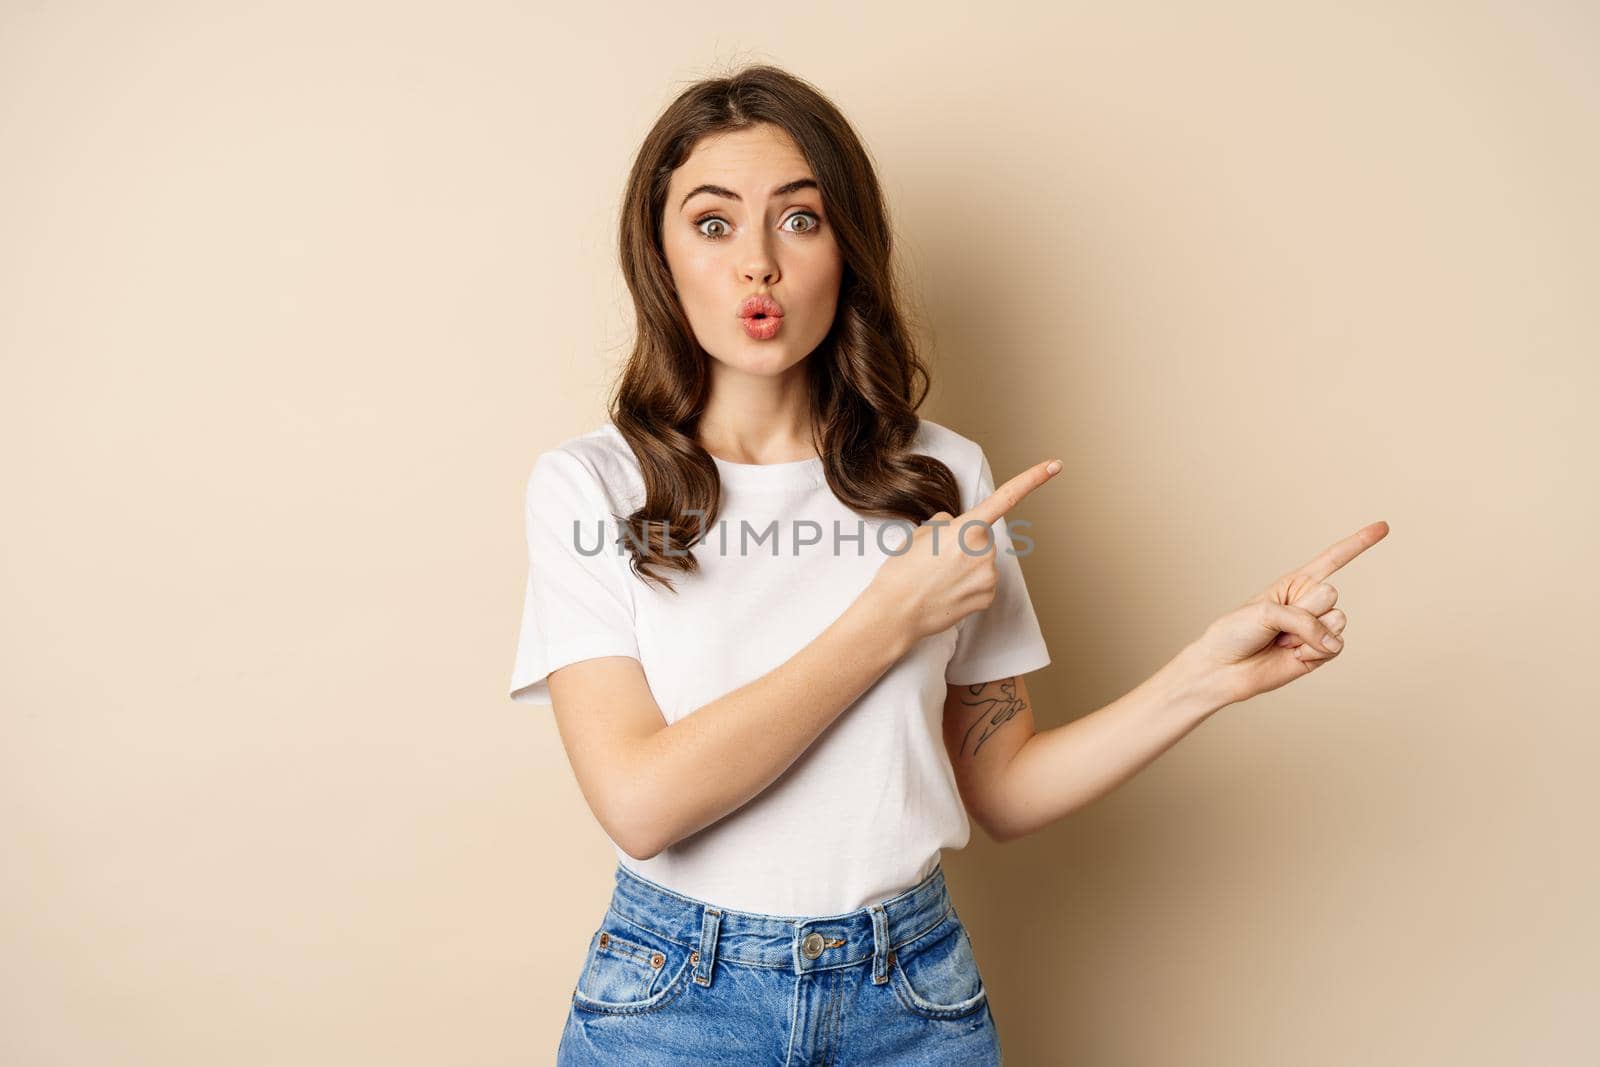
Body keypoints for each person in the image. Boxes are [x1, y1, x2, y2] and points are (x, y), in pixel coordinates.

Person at [508, 64, 1387, 1066]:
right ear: (660, 255)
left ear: (847, 250)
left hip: (908, 996)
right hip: (673, 996)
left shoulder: (940, 473)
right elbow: (640, 799)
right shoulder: (591, 486)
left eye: (799, 221)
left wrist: (1205, 676)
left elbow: (1001, 788)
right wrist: (887, 619)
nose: (757, 263)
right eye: (713, 224)